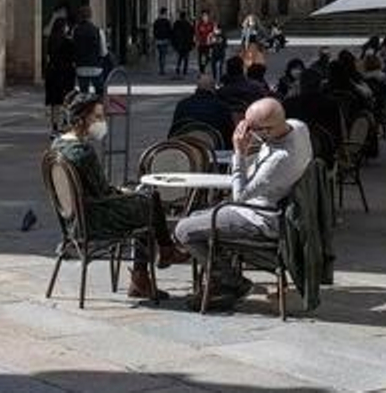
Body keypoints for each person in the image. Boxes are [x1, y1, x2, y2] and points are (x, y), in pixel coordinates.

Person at [173, 98, 312, 311]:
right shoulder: (298, 127)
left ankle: (230, 281)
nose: (244, 131)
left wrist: (239, 152)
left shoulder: (280, 159)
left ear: (265, 131)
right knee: (195, 218)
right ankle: (220, 278)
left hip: (260, 217)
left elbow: (240, 196)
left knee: (183, 230)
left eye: (249, 128)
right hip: (268, 206)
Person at [52, 92, 186, 299]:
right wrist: (123, 193)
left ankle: (154, 264)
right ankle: (158, 259)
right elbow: (103, 192)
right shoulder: (82, 151)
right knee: (150, 201)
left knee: (144, 201)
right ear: (80, 120)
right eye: (97, 118)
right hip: (94, 219)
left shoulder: (58, 146)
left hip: (73, 220)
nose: (102, 122)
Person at [169, 75, 236, 144]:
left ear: (197, 88)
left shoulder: (182, 105)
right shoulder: (222, 107)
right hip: (215, 147)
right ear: (213, 90)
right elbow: (230, 135)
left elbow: (173, 133)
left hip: (186, 148)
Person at [44, 17, 77, 134]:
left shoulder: (50, 40)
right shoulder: (68, 42)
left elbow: (48, 57)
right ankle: (65, 123)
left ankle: (54, 127)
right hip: (66, 73)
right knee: (66, 100)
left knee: (54, 102)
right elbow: (73, 58)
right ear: (64, 27)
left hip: (53, 73)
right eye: (66, 26)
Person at [71, 6, 107, 95]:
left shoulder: (75, 31)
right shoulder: (98, 31)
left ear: (80, 16)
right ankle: (98, 107)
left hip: (81, 67)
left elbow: (73, 48)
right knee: (100, 92)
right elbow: (103, 52)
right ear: (91, 16)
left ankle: (85, 107)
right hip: (96, 67)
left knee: (83, 93)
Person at [171, 11, 195, 77]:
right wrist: (192, 43)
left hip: (179, 44)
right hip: (186, 44)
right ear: (186, 17)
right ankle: (185, 70)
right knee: (186, 58)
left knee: (179, 57)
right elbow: (192, 34)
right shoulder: (188, 24)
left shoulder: (176, 24)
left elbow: (173, 34)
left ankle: (178, 67)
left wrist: (173, 43)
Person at [194, 11, 217, 77]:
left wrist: (212, 36)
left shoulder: (211, 24)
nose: (204, 17)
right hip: (201, 44)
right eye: (203, 16)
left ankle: (205, 67)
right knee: (200, 58)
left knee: (208, 57)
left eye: (206, 16)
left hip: (209, 44)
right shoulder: (200, 24)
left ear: (208, 17)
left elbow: (214, 32)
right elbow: (197, 33)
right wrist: (196, 41)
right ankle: (202, 71)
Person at [152, 8, 174, 76]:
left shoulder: (156, 21)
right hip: (165, 40)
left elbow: (154, 30)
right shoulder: (167, 21)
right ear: (165, 13)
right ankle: (162, 69)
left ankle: (161, 68)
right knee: (163, 55)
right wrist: (170, 39)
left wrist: (155, 38)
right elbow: (170, 31)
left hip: (158, 40)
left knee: (160, 55)